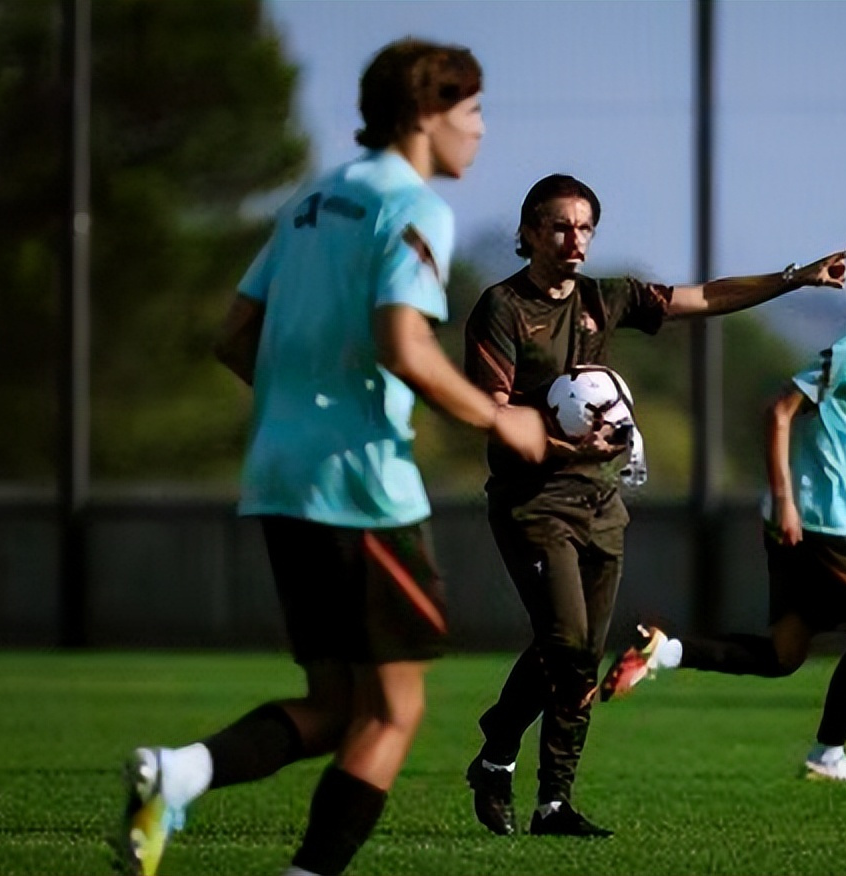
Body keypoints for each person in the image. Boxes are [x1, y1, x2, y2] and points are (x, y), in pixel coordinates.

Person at [117, 38, 545, 876]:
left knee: (337, 704)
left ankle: (176, 774)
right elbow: (406, 346)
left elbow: (234, 335)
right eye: (473, 111)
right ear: (427, 113)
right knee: (395, 710)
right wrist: (504, 423)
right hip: (361, 486)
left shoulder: (313, 199)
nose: (483, 131)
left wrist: (293, 412)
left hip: (279, 477)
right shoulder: (411, 205)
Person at [462, 172, 846, 837]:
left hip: (603, 499)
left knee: (578, 649)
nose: (574, 239)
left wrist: (794, 277)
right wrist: (558, 436)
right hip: (534, 502)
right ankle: (500, 755)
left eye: (586, 227)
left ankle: (550, 801)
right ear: (528, 232)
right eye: (559, 226)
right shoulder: (501, 308)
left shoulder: (602, 297)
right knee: (566, 645)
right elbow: (488, 410)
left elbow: (700, 297)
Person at [600, 257, 846, 784]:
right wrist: (787, 500)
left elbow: (834, 437)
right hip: (815, 521)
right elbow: (779, 412)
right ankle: (828, 755)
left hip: (824, 512)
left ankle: (663, 651)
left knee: (783, 654)